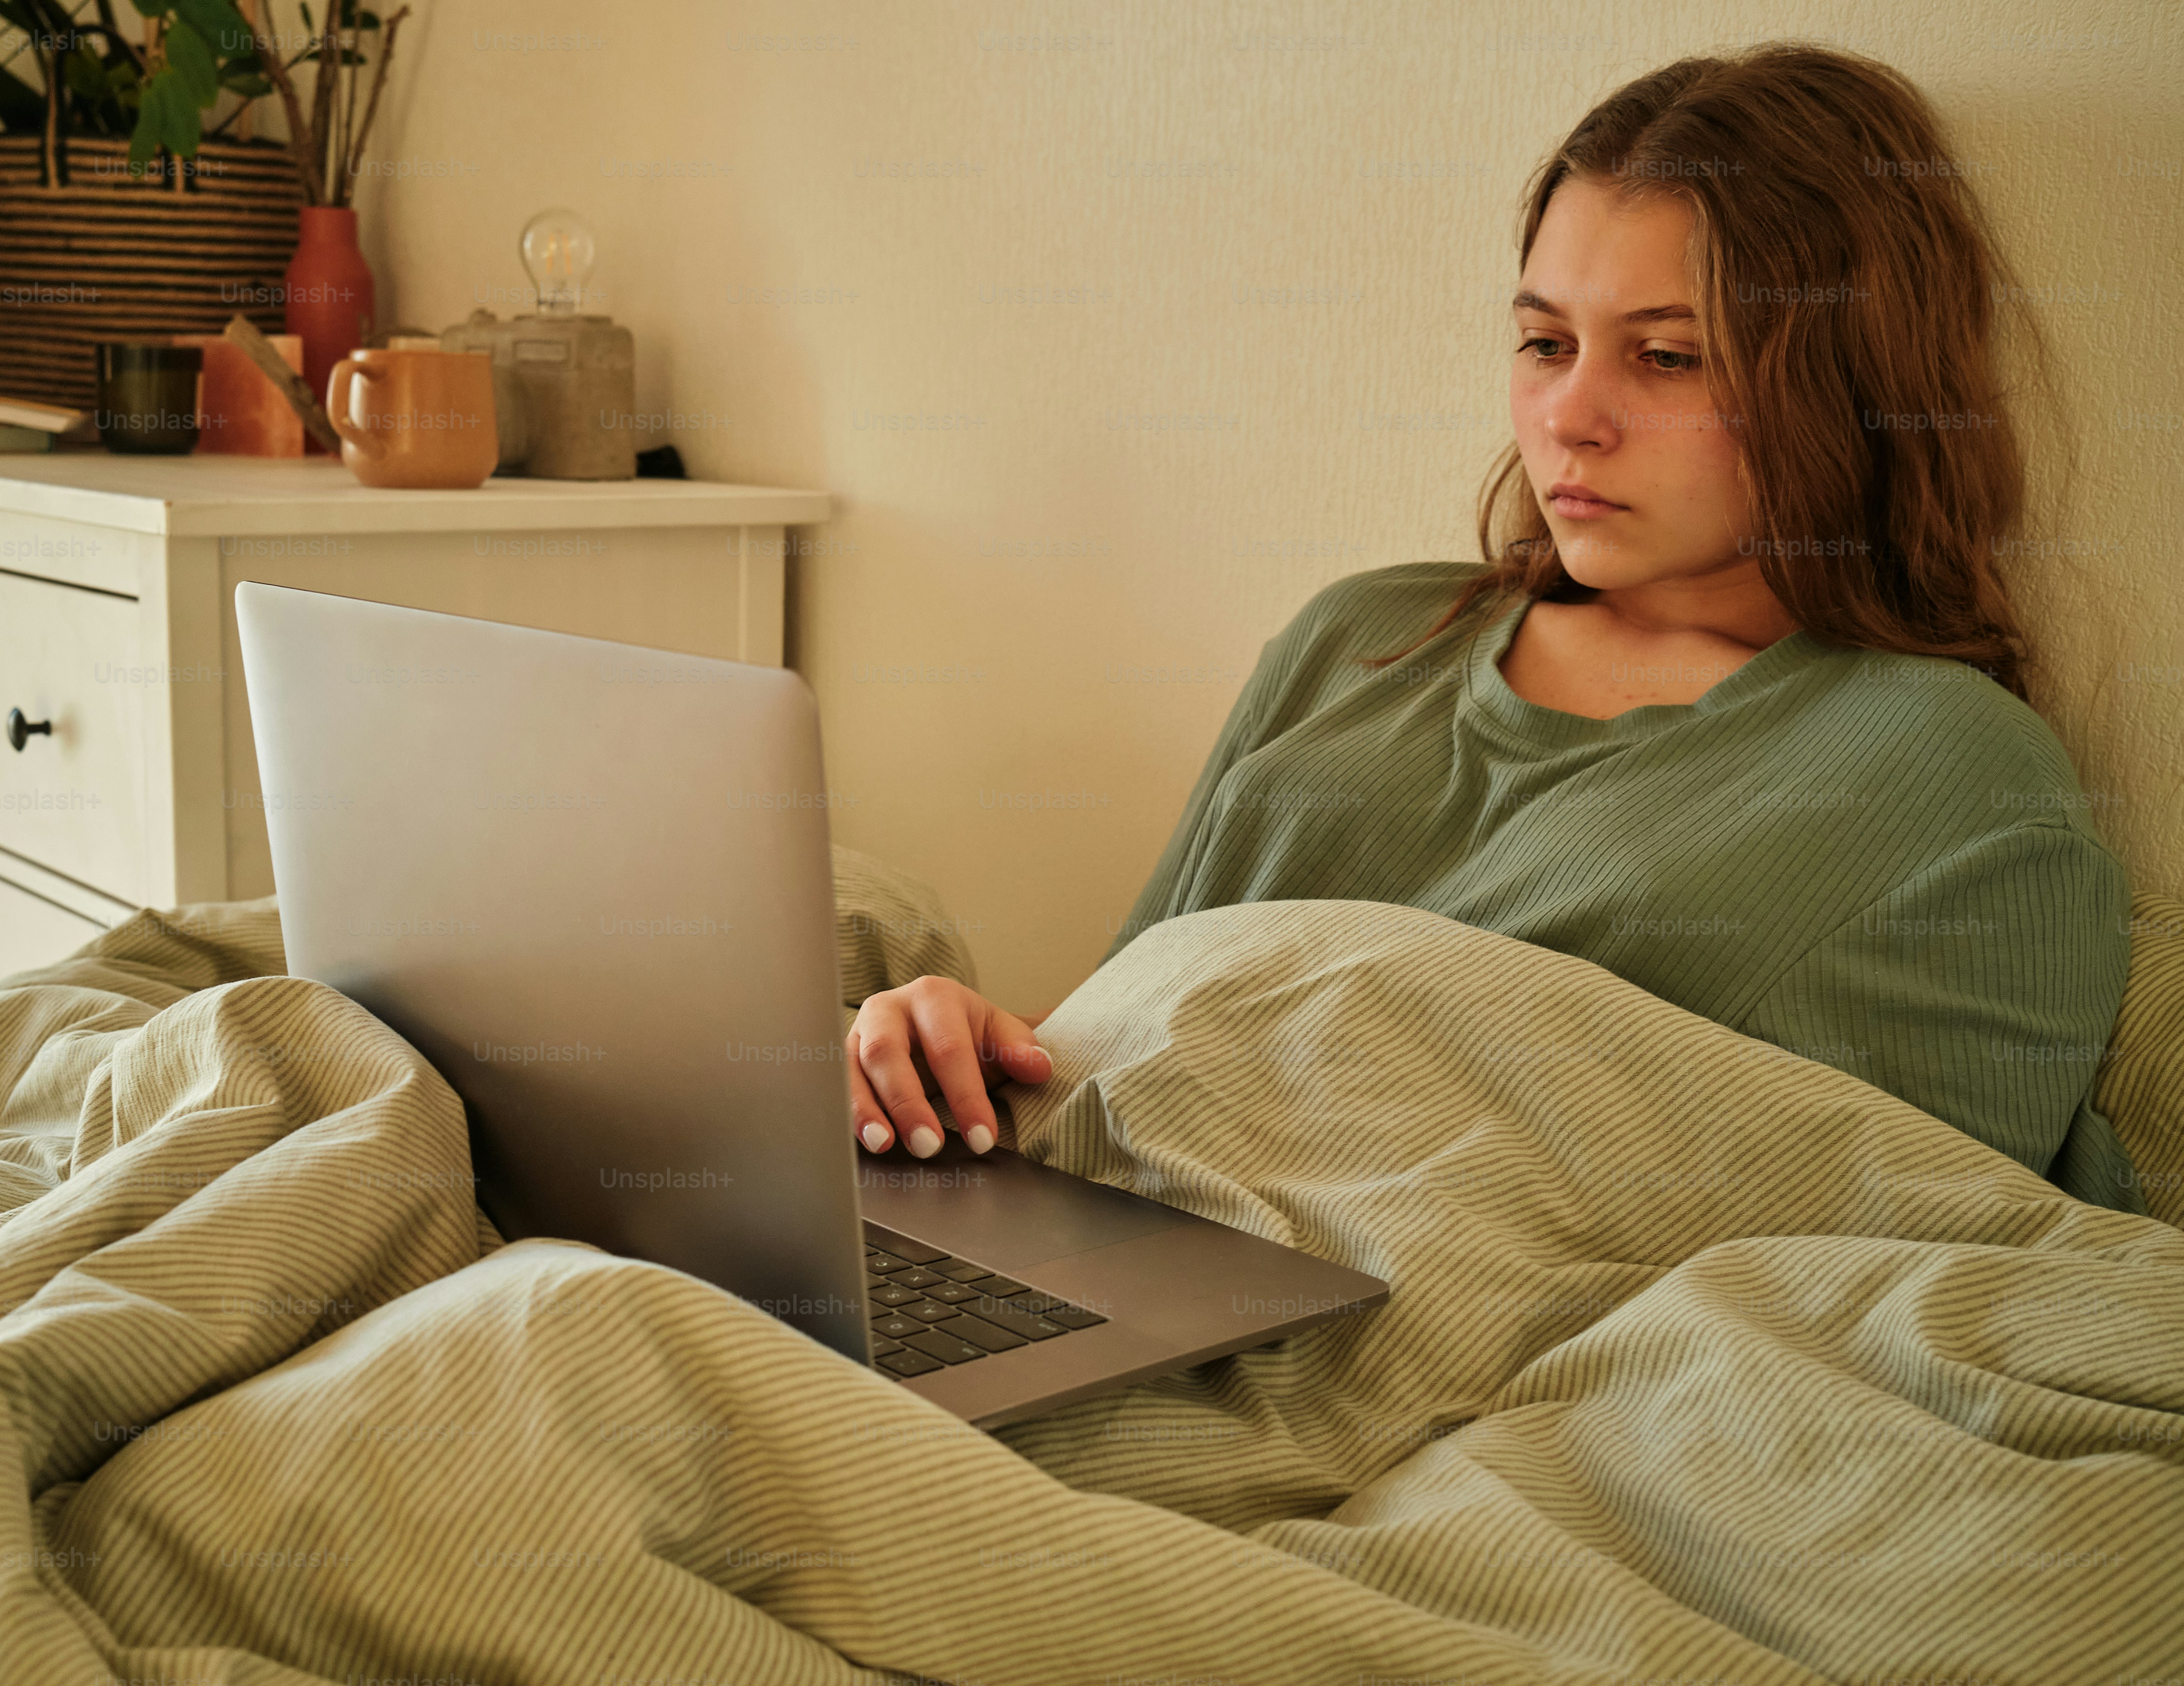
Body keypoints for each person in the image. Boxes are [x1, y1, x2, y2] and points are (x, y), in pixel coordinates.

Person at [844, 43, 2143, 1213]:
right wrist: (960, 1042)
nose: (1571, 418)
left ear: (1847, 383)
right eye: (1543, 343)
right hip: (1074, 1232)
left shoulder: (1947, 770)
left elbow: (1944, 1230)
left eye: (1667, 358)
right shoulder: (1361, 636)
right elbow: (1111, 1032)